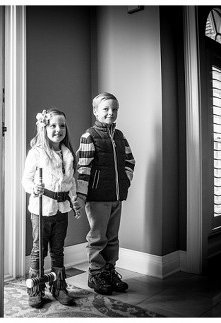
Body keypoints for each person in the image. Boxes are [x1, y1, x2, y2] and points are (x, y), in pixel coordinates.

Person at [74, 92, 135, 296]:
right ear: (95, 111)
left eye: (114, 109)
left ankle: (109, 271)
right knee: (98, 237)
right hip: (97, 197)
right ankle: (96, 273)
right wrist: (81, 197)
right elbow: (83, 169)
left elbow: (129, 161)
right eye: (106, 109)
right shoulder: (89, 136)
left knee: (112, 237)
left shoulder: (120, 136)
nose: (111, 113)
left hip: (117, 196)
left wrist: (126, 179)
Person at [21, 108, 80, 308]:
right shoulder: (37, 153)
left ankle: (58, 286)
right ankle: (35, 289)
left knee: (58, 250)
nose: (58, 129)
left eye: (62, 125)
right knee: (39, 250)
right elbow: (26, 180)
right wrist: (34, 188)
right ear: (44, 128)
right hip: (42, 209)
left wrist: (74, 201)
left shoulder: (67, 154)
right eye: (53, 125)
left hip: (61, 210)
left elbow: (70, 182)